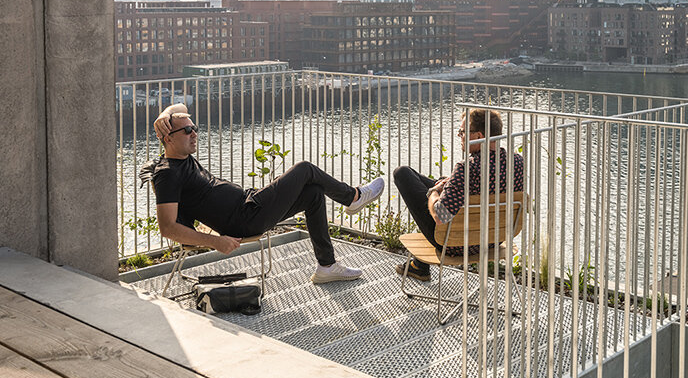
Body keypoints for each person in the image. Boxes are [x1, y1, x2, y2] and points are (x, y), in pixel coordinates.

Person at [148, 104, 384, 284]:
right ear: (167, 138)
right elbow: (167, 227)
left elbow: (180, 109)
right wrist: (215, 241)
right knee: (304, 169)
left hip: (249, 204)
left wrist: (165, 115)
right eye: (188, 130)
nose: (194, 134)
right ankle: (353, 196)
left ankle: (326, 267)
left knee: (313, 193)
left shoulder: (181, 156)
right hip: (245, 219)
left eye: (195, 128)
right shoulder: (168, 174)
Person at [393, 109, 524, 281]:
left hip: (456, 244)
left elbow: (440, 217)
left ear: (478, 135)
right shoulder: (517, 162)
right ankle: (418, 265)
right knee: (441, 181)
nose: (459, 136)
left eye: (462, 132)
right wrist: (448, 183)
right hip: (494, 240)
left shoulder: (467, 168)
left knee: (402, 173)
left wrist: (434, 193)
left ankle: (419, 267)